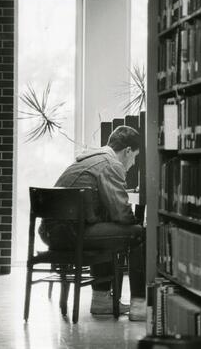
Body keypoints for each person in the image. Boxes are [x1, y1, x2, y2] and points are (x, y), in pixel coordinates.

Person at [39, 125, 146, 321]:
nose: (133, 163)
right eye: (135, 157)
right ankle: (139, 305)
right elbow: (122, 213)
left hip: (49, 232)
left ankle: (102, 300)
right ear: (128, 151)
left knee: (105, 226)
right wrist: (134, 223)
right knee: (138, 234)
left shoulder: (88, 158)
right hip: (71, 233)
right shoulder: (111, 164)